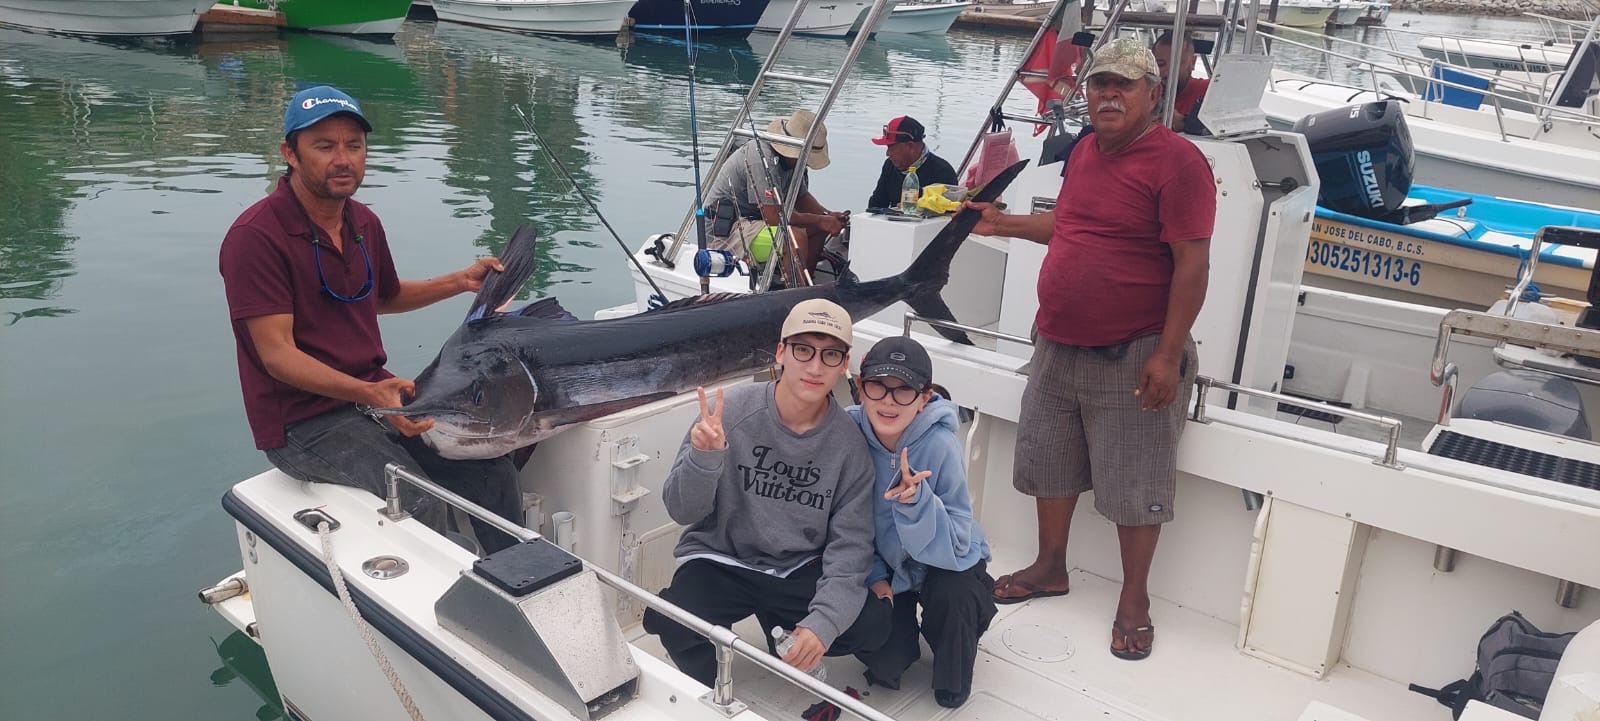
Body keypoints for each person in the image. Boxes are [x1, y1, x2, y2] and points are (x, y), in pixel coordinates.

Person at [968, 37, 1214, 661]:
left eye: (1123, 84)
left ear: (1152, 95)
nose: (1108, 94)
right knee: (1049, 460)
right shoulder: (1083, 151)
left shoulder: (1178, 162)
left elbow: (1193, 263)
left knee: (1136, 478)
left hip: (1135, 347)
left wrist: (1168, 354)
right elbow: (1068, 225)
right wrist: (1001, 224)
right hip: (1058, 340)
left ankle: (1135, 600)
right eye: (1100, 83)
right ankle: (1051, 566)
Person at [219, 85, 522, 553]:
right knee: (416, 499)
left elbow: (383, 296)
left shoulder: (362, 223)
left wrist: (460, 280)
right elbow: (277, 355)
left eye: (354, 145)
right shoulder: (255, 238)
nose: (343, 159)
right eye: (324, 146)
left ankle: (516, 574)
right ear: (290, 154)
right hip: (303, 423)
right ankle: (444, 591)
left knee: (489, 465)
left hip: (373, 395)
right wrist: (369, 394)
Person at [643, 299, 891, 687]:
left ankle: (782, 625)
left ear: (844, 364)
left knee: (873, 626)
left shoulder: (849, 446)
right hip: (724, 558)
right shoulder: (728, 412)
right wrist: (704, 458)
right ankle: (709, 692)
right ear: (780, 353)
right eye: (803, 350)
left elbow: (851, 546)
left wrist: (823, 623)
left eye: (830, 355)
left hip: (798, 566)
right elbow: (681, 510)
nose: (815, 367)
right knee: (676, 620)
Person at [847, 337, 995, 709]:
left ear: (924, 397)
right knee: (885, 664)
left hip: (944, 561)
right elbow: (843, 521)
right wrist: (874, 576)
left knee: (957, 598)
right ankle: (899, 638)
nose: (889, 401)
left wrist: (916, 503)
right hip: (883, 562)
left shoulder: (941, 445)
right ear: (861, 387)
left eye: (904, 390)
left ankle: (953, 668)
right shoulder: (847, 434)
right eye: (878, 386)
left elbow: (959, 541)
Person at [701, 110, 849, 276]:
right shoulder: (761, 157)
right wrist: (820, 220)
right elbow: (773, 217)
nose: (807, 164)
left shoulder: (794, 163)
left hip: (757, 222)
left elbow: (801, 198)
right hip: (727, 231)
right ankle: (795, 289)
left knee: (820, 227)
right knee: (795, 238)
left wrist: (828, 216)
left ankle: (807, 280)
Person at [866, 116, 960, 211]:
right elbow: (876, 204)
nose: (887, 153)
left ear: (910, 146)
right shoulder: (890, 165)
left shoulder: (943, 172)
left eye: (891, 148)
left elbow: (948, 215)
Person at [1152, 31, 1211, 133]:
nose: (1167, 72)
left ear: (1192, 62)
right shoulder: (1144, 94)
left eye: (1176, 64)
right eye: (1160, 64)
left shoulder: (1209, 91)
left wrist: (1183, 123)